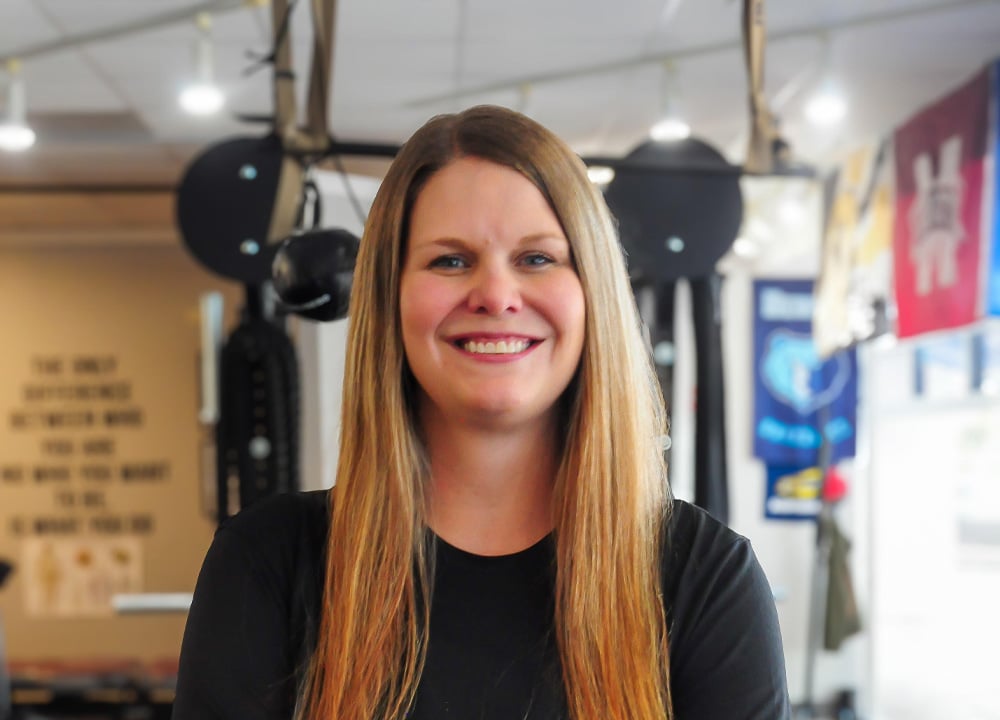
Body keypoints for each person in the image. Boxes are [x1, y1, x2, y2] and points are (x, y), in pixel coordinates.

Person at [172, 105, 790, 720]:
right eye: (450, 260)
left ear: (592, 293)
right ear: (391, 296)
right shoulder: (266, 565)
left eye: (537, 258)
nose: (495, 295)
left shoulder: (705, 579)